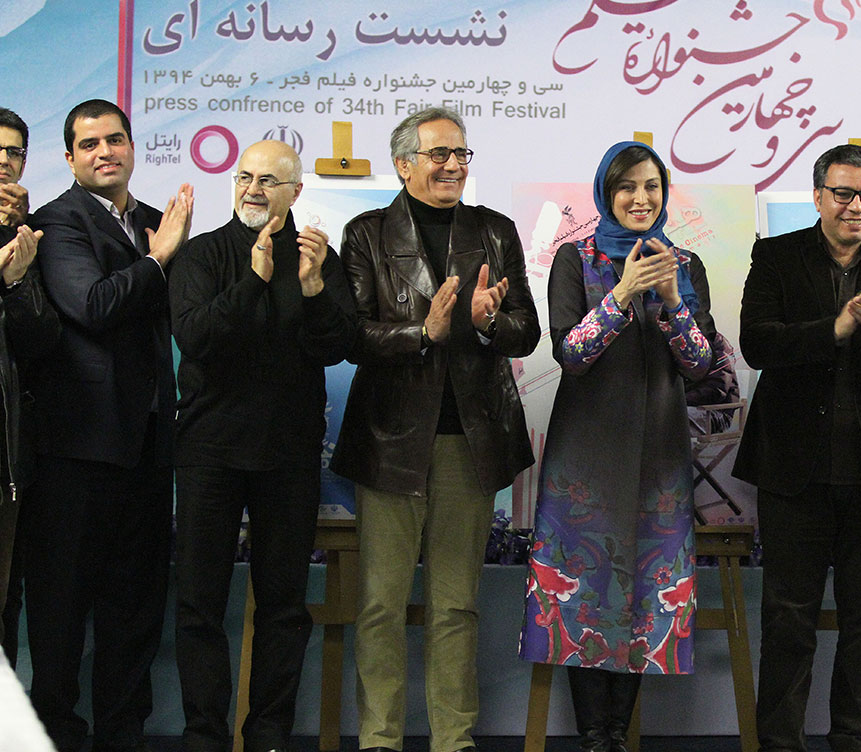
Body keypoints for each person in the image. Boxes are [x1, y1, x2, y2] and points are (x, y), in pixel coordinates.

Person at [332, 106, 539, 752]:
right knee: (381, 603)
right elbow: (350, 335)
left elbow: (527, 330)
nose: (453, 165)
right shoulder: (366, 233)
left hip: (470, 442)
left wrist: (486, 322)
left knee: (456, 603)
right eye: (438, 154)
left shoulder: (495, 231)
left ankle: (453, 738)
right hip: (389, 442)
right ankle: (379, 737)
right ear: (403, 164)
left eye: (461, 154)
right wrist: (421, 332)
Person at [732, 143, 861, 752]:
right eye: (844, 193)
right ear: (818, 196)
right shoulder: (776, 256)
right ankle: (780, 742)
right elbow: (757, 344)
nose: (856, 206)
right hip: (793, 471)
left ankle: (855, 739)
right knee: (787, 619)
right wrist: (839, 326)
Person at [519, 141, 715, 751]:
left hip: (659, 457)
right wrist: (623, 292)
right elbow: (571, 354)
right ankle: (591, 736)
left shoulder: (685, 263)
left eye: (652, 186)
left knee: (645, 595)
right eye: (626, 186)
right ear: (607, 193)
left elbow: (700, 366)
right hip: (586, 457)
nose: (640, 198)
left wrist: (674, 301)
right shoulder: (575, 259)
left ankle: (616, 735)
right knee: (581, 591)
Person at [169, 140, 356, 752]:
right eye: (244, 177)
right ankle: (203, 735)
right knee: (199, 604)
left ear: (295, 192)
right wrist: (253, 281)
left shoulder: (317, 257)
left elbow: (337, 346)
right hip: (209, 453)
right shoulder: (202, 254)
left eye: (267, 180)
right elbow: (197, 337)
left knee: (284, 607)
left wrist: (313, 290)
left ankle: (269, 733)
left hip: (288, 457)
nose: (252, 189)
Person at [24, 99, 192, 752]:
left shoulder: (153, 221)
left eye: (114, 140)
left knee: (135, 614)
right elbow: (92, 305)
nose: (105, 152)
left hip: (148, 449)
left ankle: (122, 738)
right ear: (69, 157)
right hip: (77, 453)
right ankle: (56, 738)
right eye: (89, 144)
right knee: (62, 616)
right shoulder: (56, 222)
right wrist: (159, 258)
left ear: (131, 147)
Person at [0, 107, 60, 664]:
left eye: (13, 152)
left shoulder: (27, 235)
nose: (3, 162)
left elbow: (42, 341)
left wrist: (17, 281)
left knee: (5, 600)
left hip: (10, 457)